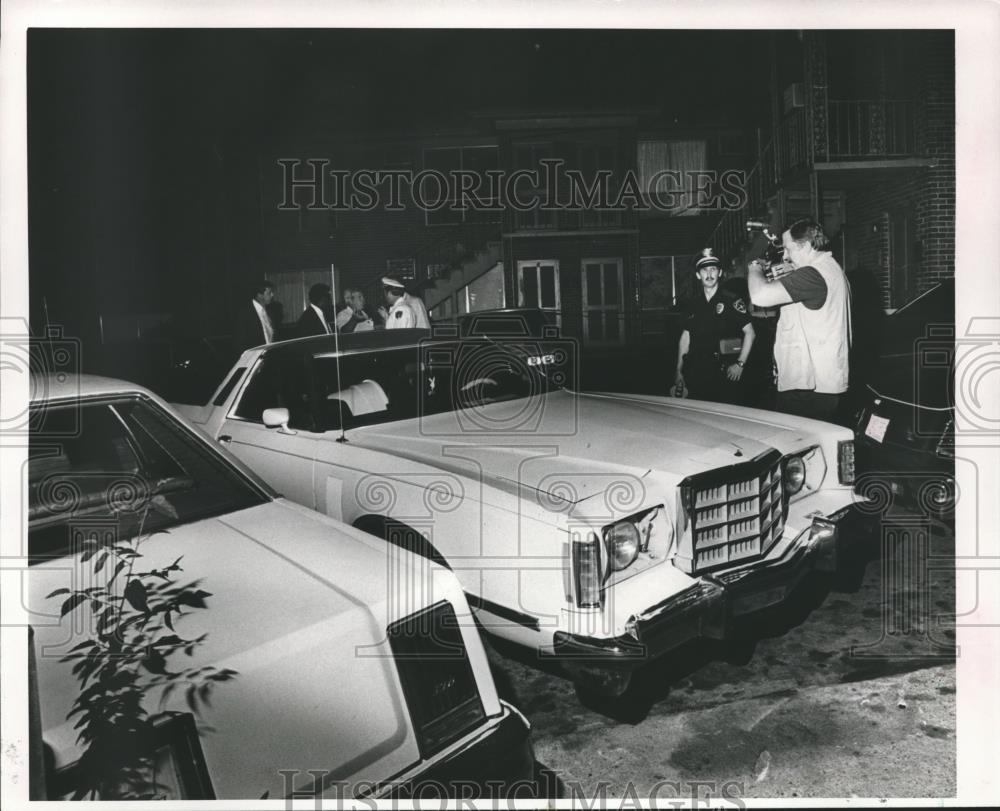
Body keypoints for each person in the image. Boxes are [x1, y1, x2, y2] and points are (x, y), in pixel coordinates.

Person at [747, 218, 850, 423]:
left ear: (804, 246)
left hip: (809, 389)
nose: (785, 256)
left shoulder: (812, 275)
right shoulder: (831, 269)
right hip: (823, 384)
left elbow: (759, 296)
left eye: (788, 249)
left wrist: (754, 268)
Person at [672, 248, 755, 404]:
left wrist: (740, 364)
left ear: (720, 272)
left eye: (713, 269)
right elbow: (685, 338)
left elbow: (750, 333)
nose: (709, 274)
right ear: (698, 275)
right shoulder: (692, 304)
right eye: (704, 270)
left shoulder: (731, 300)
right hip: (696, 371)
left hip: (724, 372)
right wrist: (679, 370)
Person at [234, 279, 276, 355]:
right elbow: (240, 343)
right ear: (259, 295)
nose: (272, 295)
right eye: (269, 293)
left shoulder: (270, 312)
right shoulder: (245, 314)